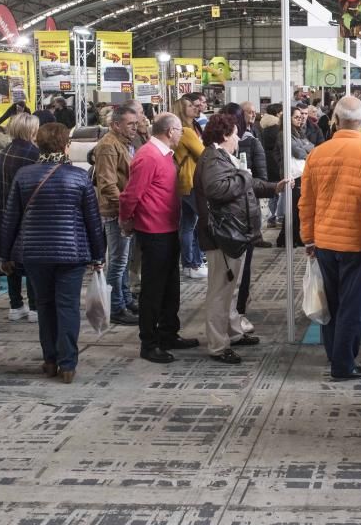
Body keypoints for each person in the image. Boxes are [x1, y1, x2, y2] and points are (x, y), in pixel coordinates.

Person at [0, 123, 105, 384]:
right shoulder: (79, 177)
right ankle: (68, 364)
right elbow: (93, 221)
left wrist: (4, 254)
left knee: (44, 305)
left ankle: (49, 360)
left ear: (39, 144)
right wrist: (98, 255)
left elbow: (10, 218)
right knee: (68, 306)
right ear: (66, 145)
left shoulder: (24, 176)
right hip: (72, 253)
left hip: (34, 254)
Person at [196, 114, 286, 364]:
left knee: (231, 289)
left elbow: (241, 183)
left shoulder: (221, 157)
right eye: (235, 133)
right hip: (223, 235)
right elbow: (218, 189)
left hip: (233, 233)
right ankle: (218, 344)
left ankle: (233, 332)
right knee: (220, 292)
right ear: (225, 135)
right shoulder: (213, 158)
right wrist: (245, 176)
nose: (238, 138)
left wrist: (272, 187)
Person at [299, 96, 361, 380]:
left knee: (330, 304)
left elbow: (305, 201)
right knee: (352, 307)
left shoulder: (317, 153)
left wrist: (308, 238)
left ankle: (334, 355)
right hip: (356, 243)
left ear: (335, 119)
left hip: (323, 241)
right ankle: (343, 365)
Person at [119, 113, 201, 364]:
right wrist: (127, 220)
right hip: (153, 231)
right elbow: (131, 195)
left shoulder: (163, 154)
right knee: (153, 290)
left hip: (167, 228)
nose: (182, 135)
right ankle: (149, 341)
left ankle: (168, 332)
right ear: (169, 131)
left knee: (170, 286)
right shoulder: (148, 156)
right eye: (180, 131)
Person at [222, 102, 269, 332]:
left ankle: (239, 313)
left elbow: (259, 179)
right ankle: (230, 318)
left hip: (245, 218)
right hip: (225, 222)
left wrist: (268, 187)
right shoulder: (216, 153)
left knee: (243, 272)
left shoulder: (251, 142)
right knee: (227, 275)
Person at [93, 105, 140, 325]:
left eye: (136, 123)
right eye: (130, 124)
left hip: (122, 209)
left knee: (123, 259)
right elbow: (107, 184)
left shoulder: (122, 144)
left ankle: (125, 299)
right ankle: (116, 308)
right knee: (118, 261)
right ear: (115, 125)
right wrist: (125, 209)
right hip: (115, 211)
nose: (135, 127)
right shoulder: (109, 146)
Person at [0, 112, 40, 322]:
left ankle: (15, 305)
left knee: (10, 257)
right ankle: (35, 307)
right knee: (30, 259)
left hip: (3, 211)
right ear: (31, 130)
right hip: (27, 213)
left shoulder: (3, 153)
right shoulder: (33, 153)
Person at [173, 96, 208, 280]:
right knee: (196, 224)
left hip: (184, 182)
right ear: (181, 109)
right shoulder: (186, 131)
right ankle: (193, 263)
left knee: (187, 224)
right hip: (191, 181)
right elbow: (202, 153)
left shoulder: (188, 129)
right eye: (190, 106)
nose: (195, 108)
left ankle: (189, 263)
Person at [274, 104, 315, 248]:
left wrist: (306, 149)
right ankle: (286, 238)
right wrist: (307, 150)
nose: (300, 120)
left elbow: (312, 147)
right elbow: (299, 152)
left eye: (301, 117)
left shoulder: (299, 133)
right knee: (293, 208)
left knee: (297, 208)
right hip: (292, 174)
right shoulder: (284, 134)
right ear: (288, 118)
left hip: (300, 173)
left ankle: (291, 237)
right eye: (296, 117)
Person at [260, 103, 284, 228]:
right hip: (275, 161)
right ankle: (276, 217)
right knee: (279, 190)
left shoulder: (262, 125)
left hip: (266, 161)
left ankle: (271, 219)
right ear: (277, 113)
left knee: (272, 191)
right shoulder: (277, 128)